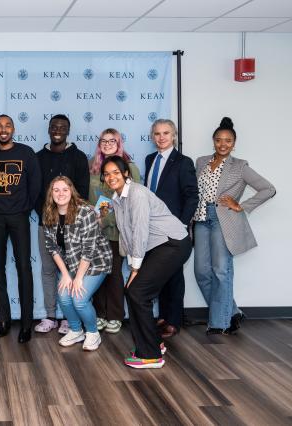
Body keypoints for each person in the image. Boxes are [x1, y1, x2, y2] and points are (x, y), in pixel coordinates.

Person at [102, 156, 191, 369]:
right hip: (157, 246)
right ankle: (153, 343)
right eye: (106, 174)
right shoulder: (117, 198)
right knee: (133, 292)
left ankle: (150, 355)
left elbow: (140, 230)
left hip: (172, 243)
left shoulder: (137, 193)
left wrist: (135, 268)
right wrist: (133, 264)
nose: (111, 177)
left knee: (137, 292)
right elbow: (127, 232)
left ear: (126, 173)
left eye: (115, 172)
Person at [194, 117, 275, 335]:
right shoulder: (201, 161)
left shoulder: (240, 166)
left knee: (221, 270)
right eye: (219, 140)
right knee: (201, 271)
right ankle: (232, 312)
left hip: (224, 220)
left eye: (228, 141)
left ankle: (220, 323)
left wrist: (241, 205)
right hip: (201, 218)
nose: (223, 144)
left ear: (234, 143)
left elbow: (268, 189)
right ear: (213, 141)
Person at [0, 114, 42, 343]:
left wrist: (24, 209)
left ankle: (26, 324)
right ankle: (3, 320)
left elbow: (36, 184)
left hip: (19, 217)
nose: (3, 129)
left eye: (7, 126)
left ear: (13, 129)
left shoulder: (26, 153)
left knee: (24, 268)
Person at [35, 114, 89, 336]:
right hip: (45, 223)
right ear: (48, 129)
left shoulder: (78, 157)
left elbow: (83, 192)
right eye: (54, 126)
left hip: (72, 225)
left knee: (71, 271)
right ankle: (50, 316)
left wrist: (69, 216)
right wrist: (48, 214)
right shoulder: (37, 157)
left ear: (68, 130)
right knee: (48, 270)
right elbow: (34, 191)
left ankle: (69, 318)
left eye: (62, 127)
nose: (58, 130)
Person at [42, 177, 112, 350]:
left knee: (79, 299)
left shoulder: (85, 211)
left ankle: (92, 333)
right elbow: (52, 247)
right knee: (64, 296)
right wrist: (66, 275)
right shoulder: (48, 213)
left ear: (71, 191)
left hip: (96, 261)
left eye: (65, 189)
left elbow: (89, 249)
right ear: (51, 194)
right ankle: (75, 330)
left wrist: (78, 278)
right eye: (56, 190)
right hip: (71, 263)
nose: (60, 193)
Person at [144, 119, 198, 339]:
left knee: (174, 275)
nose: (161, 137)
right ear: (152, 136)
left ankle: (174, 321)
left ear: (174, 136)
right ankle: (164, 316)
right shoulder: (149, 159)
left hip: (174, 230)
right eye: (157, 133)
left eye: (166, 133)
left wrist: (182, 225)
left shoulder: (183, 162)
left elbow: (192, 196)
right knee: (160, 274)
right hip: (153, 229)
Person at [88, 128, 141, 335]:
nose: (108, 144)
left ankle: (115, 316)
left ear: (119, 143)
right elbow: (87, 197)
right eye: (104, 140)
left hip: (116, 230)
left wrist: (106, 220)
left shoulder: (129, 167)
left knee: (114, 274)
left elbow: (132, 201)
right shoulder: (92, 164)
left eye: (113, 140)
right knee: (96, 273)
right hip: (95, 230)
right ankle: (99, 314)